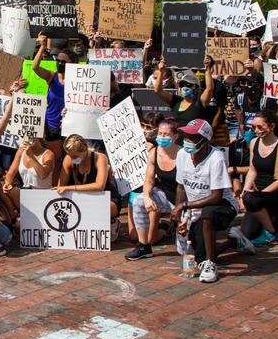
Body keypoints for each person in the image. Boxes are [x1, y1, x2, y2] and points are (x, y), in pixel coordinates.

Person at [170, 119, 254, 284]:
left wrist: (184, 205)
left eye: (192, 137)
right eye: (186, 136)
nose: (187, 140)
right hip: (195, 207)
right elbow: (180, 187)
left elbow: (216, 197)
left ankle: (211, 264)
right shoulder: (181, 155)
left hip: (223, 206)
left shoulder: (216, 158)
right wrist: (182, 216)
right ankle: (234, 241)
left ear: (205, 140)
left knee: (208, 214)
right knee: (198, 254)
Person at [238, 110, 278, 246]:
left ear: (271, 126)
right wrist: (244, 192)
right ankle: (270, 221)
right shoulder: (254, 142)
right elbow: (252, 170)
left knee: (252, 199)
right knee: (247, 233)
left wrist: (259, 195)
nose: (256, 131)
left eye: (260, 127)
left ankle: (271, 233)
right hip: (257, 197)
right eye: (253, 127)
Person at [127, 118, 180, 260]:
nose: (162, 137)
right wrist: (146, 197)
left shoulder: (183, 155)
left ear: (175, 137)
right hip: (166, 197)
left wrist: (181, 208)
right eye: (160, 134)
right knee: (138, 201)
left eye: (166, 134)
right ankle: (144, 247)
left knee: (186, 249)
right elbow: (149, 180)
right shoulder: (154, 153)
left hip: (186, 200)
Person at [30, 34, 72, 181]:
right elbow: (34, 67)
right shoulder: (52, 76)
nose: (59, 63)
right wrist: (42, 46)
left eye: (63, 62)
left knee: (70, 159)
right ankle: (55, 186)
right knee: (57, 159)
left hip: (71, 125)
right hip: (53, 124)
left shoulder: (78, 80)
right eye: (58, 60)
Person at [57, 134, 117, 228]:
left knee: (97, 208)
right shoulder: (68, 159)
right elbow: (60, 186)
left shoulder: (100, 158)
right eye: (70, 155)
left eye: (75, 156)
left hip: (105, 198)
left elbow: (99, 186)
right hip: (81, 199)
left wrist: (70, 188)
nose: (72, 159)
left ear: (85, 150)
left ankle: (111, 222)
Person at [152, 56, 217, 127]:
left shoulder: (200, 102)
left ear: (196, 88)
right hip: (177, 137)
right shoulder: (176, 101)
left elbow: (209, 89)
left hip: (194, 137)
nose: (184, 87)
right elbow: (158, 90)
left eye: (188, 84)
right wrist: (161, 71)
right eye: (182, 84)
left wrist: (207, 68)